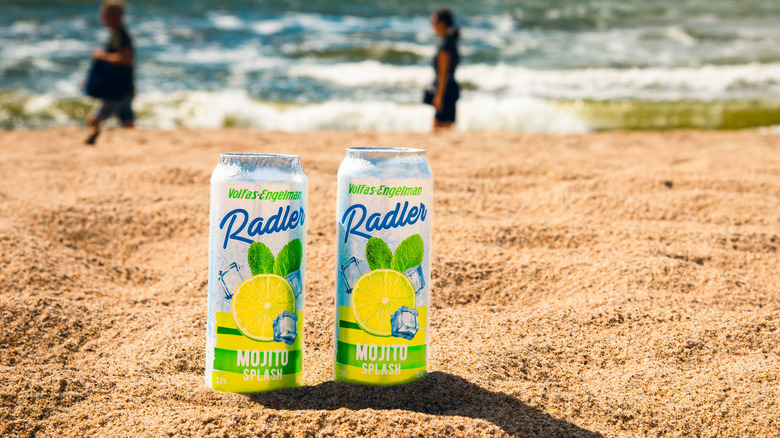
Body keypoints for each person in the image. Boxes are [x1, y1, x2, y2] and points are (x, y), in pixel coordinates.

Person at [85, 0, 135, 145]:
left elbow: (126, 58)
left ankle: (91, 137)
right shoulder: (116, 35)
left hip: (117, 87)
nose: (102, 17)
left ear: (116, 16)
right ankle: (132, 145)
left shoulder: (122, 35)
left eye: (105, 14)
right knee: (127, 119)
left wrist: (102, 56)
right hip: (122, 86)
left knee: (96, 118)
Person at [430, 8, 460, 131]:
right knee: (446, 127)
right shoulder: (451, 42)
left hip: (445, 89)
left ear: (443, 23)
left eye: (434, 22)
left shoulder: (445, 45)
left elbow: (443, 73)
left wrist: (439, 96)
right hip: (450, 87)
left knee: (439, 127)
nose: (432, 26)